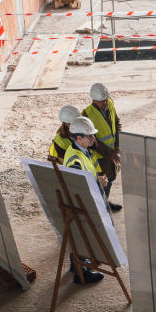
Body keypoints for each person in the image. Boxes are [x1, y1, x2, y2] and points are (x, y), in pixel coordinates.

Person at [62, 116, 108, 284]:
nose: (93, 139)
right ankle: (81, 274)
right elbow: (78, 188)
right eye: (90, 136)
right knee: (82, 235)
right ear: (79, 138)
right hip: (79, 204)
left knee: (77, 234)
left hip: (77, 203)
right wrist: (99, 183)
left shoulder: (77, 150)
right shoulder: (76, 159)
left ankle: (76, 266)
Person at [82, 83, 123, 211]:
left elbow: (116, 123)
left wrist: (117, 144)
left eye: (106, 99)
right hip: (100, 156)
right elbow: (92, 141)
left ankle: (104, 203)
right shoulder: (87, 115)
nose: (105, 103)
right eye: (101, 101)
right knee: (101, 182)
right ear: (93, 100)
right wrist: (109, 154)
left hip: (111, 153)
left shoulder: (110, 103)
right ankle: (99, 209)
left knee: (110, 178)